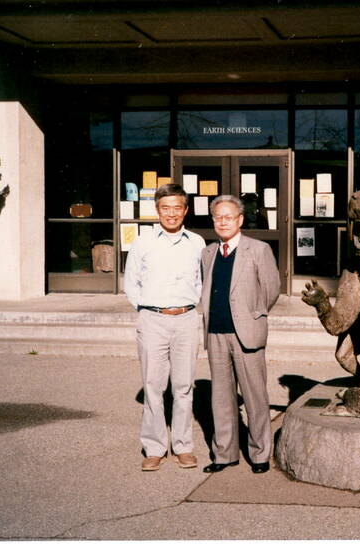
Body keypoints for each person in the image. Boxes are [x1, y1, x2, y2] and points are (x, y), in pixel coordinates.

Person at [123, 183, 206, 472]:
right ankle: (155, 448)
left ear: (185, 210)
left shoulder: (196, 243)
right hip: (153, 320)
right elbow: (131, 283)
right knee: (153, 386)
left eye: (177, 208)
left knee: (183, 386)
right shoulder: (143, 242)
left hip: (186, 320)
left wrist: (188, 305)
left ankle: (183, 446)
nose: (171, 213)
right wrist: (149, 309)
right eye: (165, 208)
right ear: (157, 210)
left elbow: (201, 281)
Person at [200, 195, 281, 474]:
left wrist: (252, 315)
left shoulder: (258, 250)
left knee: (255, 396)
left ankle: (259, 454)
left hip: (246, 333)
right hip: (215, 332)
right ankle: (225, 453)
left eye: (228, 217)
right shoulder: (208, 252)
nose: (223, 222)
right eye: (218, 217)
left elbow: (271, 289)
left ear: (240, 220)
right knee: (221, 398)